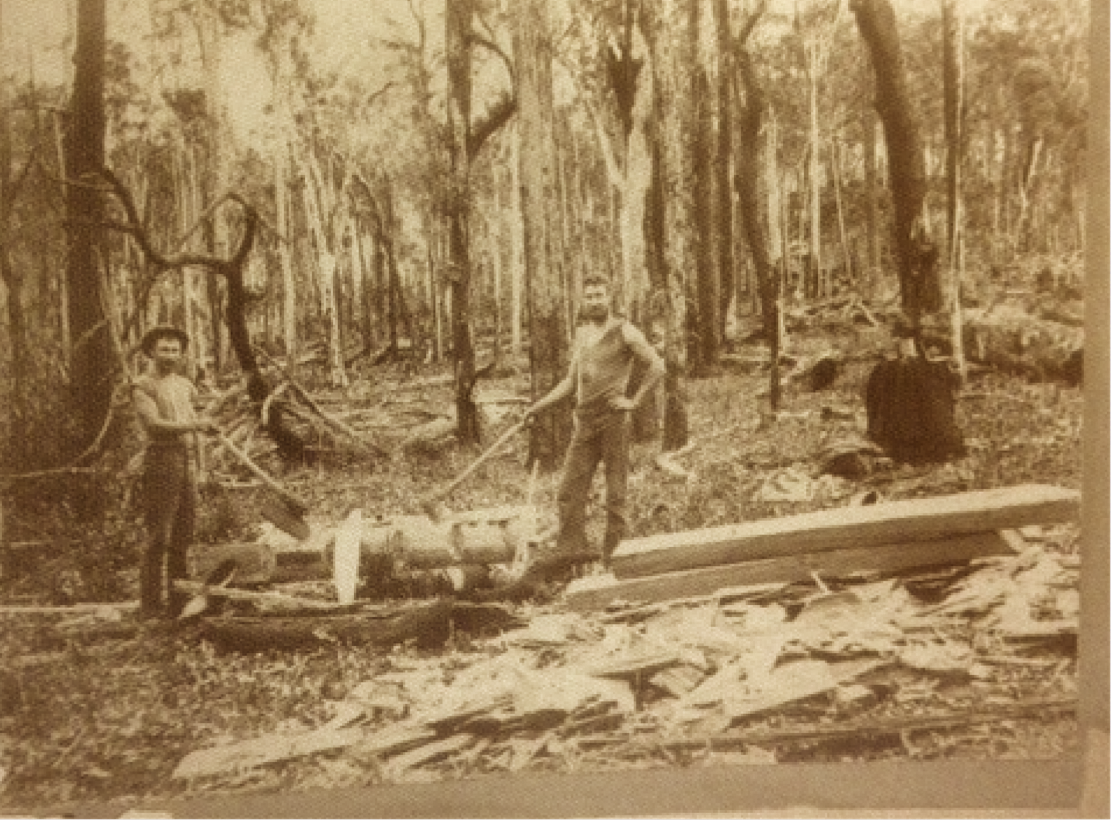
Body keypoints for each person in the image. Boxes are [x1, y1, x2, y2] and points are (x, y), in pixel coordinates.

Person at [526, 274, 665, 566]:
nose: (594, 301)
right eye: (589, 296)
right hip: (584, 423)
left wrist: (633, 401)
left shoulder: (625, 332)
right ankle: (571, 556)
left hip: (614, 422)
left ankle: (616, 559)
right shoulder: (582, 335)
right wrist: (539, 406)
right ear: (582, 300)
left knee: (616, 495)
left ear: (609, 297)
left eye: (599, 295)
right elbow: (570, 382)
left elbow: (657, 366)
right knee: (568, 491)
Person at [131, 326, 216, 619]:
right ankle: (150, 605)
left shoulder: (185, 386)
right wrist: (195, 426)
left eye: (175, 350)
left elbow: (198, 425)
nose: (169, 355)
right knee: (158, 536)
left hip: (187, 459)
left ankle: (178, 601)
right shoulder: (142, 385)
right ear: (151, 351)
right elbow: (154, 424)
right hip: (160, 460)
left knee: (184, 534)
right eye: (164, 350)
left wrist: (202, 467)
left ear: (182, 354)